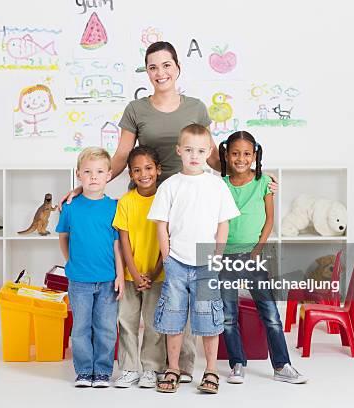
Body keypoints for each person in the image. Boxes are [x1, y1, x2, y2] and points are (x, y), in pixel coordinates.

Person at [60, 40, 278, 382]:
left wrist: (252, 175)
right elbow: (120, 156)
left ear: (177, 67)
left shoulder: (195, 107)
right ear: (147, 72)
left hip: (189, 208)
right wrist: (91, 185)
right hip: (148, 203)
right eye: (152, 67)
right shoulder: (136, 108)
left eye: (166, 65)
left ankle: (183, 365)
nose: (160, 72)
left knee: (187, 289)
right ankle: (145, 366)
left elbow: (211, 157)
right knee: (154, 289)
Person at [148, 124, 240, 394]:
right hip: (176, 261)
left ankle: (210, 369)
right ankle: (173, 368)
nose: (194, 155)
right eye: (188, 150)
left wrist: (217, 255)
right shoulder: (170, 185)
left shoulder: (216, 185)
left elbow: (223, 224)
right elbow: (160, 225)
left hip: (205, 260)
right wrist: (166, 257)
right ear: (179, 151)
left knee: (208, 318)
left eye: (201, 151)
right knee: (173, 317)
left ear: (209, 151)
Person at [218, 131, 308, 384]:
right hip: (224, 257)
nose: (241, 158)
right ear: (226, 154)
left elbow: (269, 220)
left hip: (254, 256)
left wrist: (256, 251)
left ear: (255, 156)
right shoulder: (220, 184)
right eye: (235, 153)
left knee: (270, 314)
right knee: (228, 315)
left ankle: (282, 366)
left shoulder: (263, 183)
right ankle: (237, 363)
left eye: (247, 153)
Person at [56, 147, 125, 388]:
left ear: (108, 175)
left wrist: (120, 275)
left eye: (99, 172)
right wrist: (70, 261)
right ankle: (84, 371)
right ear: (78, 175)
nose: (93, 176)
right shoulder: (70, 207)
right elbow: (63, 237)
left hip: (108, 280)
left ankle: (103, 372)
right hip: (79, 281)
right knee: (81, 327)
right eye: (87, 172)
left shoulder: (115, 207)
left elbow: (118, 245)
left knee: (106, 328)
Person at [112, 146, 166, 389]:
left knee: (154, 323)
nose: (143, 174)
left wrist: (154, 273)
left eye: (148, 168)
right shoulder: (126, 202)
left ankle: (151, 368)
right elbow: (123, 240)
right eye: (137, 170)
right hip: (130, 274)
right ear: (130, 175)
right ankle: (129, 368)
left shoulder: (166, 199)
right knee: (126, 321)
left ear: (158, 170)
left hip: (159, 274)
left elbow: (169, 238)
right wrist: (133, 273)